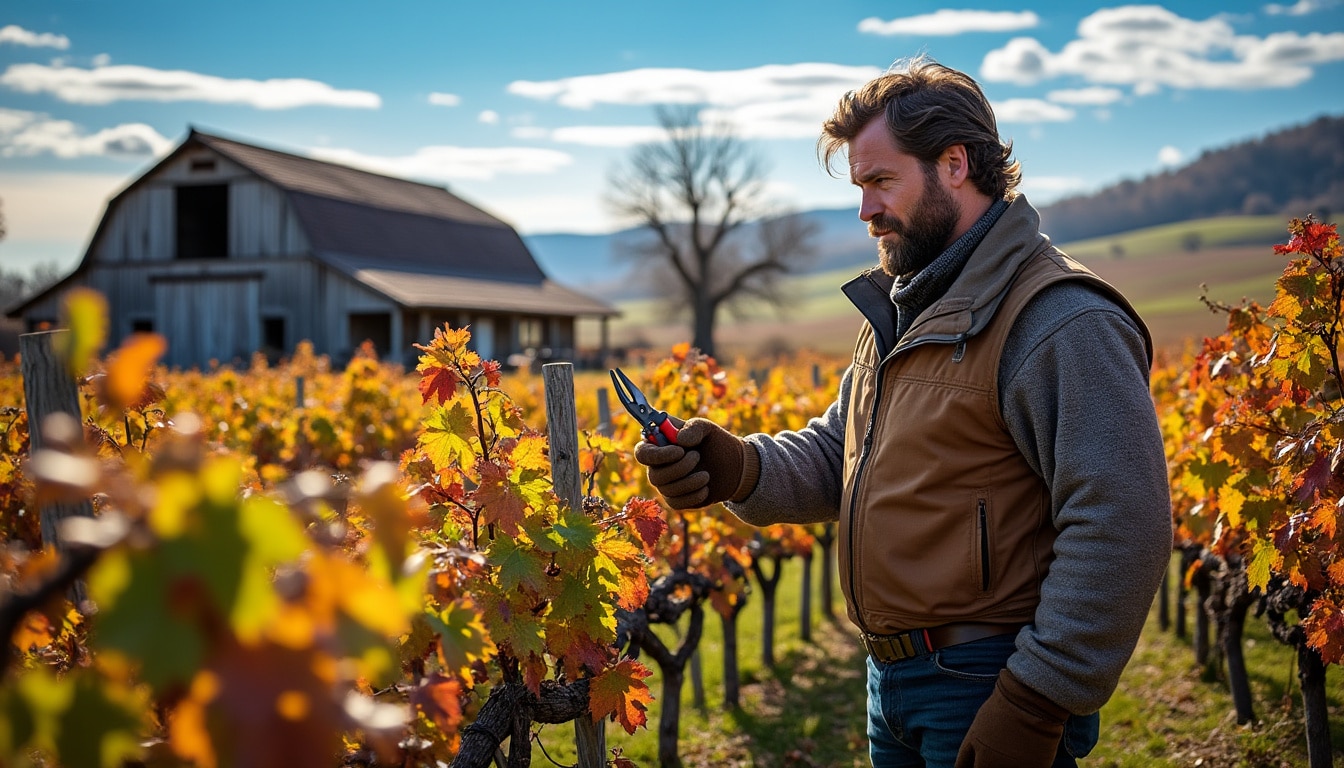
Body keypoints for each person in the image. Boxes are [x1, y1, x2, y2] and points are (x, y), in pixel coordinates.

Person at [634, 56, 1172, 768]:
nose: (865, 210)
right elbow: (843, 452)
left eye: (881, 181)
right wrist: (739, 466)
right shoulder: (906, 306)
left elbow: (1123, 519)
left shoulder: (1059, 319)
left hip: (988, 685)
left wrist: (1038, 700)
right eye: (860, 186)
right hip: (892, 681)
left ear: (955, 165)